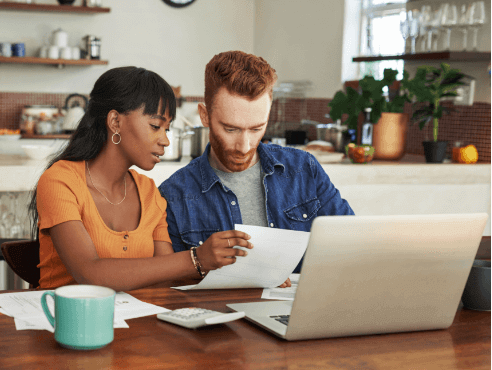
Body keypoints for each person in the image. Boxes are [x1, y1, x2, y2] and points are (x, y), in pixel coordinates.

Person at [29, 66, 253, 291]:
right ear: (115, 122)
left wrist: (250, 276)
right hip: (64, 321)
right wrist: (197, 258)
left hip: (138, 323)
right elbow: (90, 274)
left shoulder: (148, 191)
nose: (165, 140)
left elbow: (165, 278)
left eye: (167, 129)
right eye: (155, 126)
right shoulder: (60, 181)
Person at [158, 51, 354, 278]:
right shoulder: (173, 195)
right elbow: (173, 288)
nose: (244, 145)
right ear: (204, 115)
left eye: (256, 128)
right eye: (230, 129)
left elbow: (350, 244)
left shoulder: (304, 169)